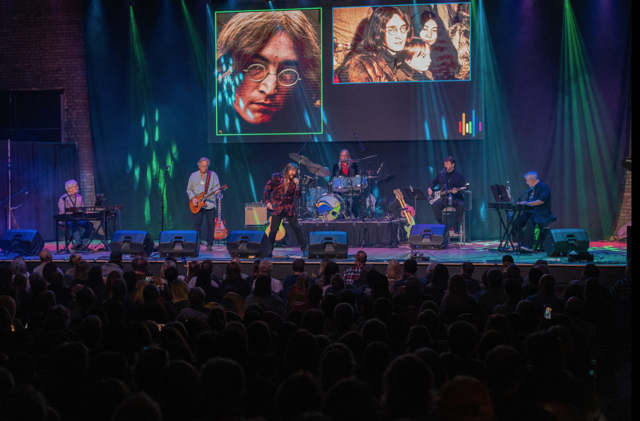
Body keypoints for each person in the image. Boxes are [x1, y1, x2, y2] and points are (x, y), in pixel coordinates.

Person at [216, 10, 321, 135]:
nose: (269, 89)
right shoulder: (210, 116)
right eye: (255, 67)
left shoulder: (315, 124)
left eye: (288, 72)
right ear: (229, 68)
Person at [340, 7, 413, 83]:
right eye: (391, 30)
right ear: (377, 32)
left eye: (403, 28)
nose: (400, 36)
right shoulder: (360, 66)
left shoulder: (404, 59)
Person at [263, 162, 307, 256]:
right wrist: (268, 202)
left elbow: (297, 196)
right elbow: (267, 189)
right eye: (292, 170)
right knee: (273, 230)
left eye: (295, 171)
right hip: (277, 207)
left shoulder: (294, 182)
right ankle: (269, 250)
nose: (294, 173)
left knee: (297, 228)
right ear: (287, 169)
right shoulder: (277, 177)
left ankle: (304, 249)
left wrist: (297, 185)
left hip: (289, 207)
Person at [187, 157, 221, 252]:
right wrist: (193, 198)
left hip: (209, 204)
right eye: (203, 166)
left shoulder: (213, 175)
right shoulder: (193, 176)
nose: (205, 168)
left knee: (211, 225)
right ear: (199, 166)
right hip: (197, 204)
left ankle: (209, 244)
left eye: (206, 166)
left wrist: (217, 191)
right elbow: (189, 189)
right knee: (197, 224)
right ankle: (197, 243)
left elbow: (217, 187)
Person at [514, 171, 553, 251]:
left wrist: (527, 203)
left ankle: (528, 246)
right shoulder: (532, 189)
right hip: (531, 211)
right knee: (516, 222)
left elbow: (541, 201)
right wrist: (524, 203)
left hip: (542, 212)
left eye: (527, 180)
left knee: (530, 221)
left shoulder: (543, 187)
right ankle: (521, 244)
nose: (526, 182)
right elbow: (530, 202)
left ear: (531, 179)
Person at [428, 156, 466, 233]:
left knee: (461, 204)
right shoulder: (441, 175)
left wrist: (457, 191)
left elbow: (463, 188)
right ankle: (441, 225)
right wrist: (430, 187)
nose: (445, 166)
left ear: (453, 164)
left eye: (447, 164)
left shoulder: (459, 176)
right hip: (444, 198)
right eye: (445, 164)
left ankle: (456, 225)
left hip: (456, 198)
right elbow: (434, 182)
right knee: (435, 204)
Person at [58, 179, 93, 250]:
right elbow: (62, 212)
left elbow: (82, 208)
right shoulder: (63, 198)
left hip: (78, 219)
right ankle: (78, 244)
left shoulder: (79, 197)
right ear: (70, 188)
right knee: (74, 223)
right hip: (66, 220)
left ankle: (84, 243)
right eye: (75, 186)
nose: (77, 188)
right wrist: (73, 211)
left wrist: (86, 212)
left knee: (90, 224)